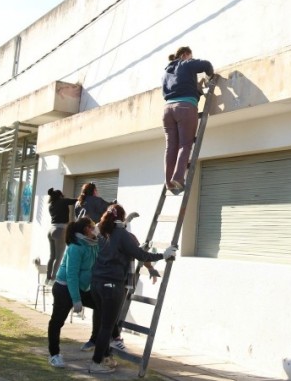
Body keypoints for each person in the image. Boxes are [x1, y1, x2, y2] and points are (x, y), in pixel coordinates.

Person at [87, 204, 176, 374]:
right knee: (107, 326)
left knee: (104, 324)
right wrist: (163, 256)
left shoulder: (104, 231)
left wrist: (123, 221)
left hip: (97, 284)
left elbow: (104, 228)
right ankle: (96, 362)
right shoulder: (121, 234)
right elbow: (140, 254)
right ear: (121, 219)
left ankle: (104, 357)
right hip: (112, 285)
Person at [47, 217, 101, 369]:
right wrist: (76, 299)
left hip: (83, 288)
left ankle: (96, 341)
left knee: (102, 306)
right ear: (86, 230)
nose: (95, 228)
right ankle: (54, 355)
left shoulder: (93, 244)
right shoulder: (75, 247)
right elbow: (72, 275)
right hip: (64, 288)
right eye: (92, 226)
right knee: (57, 321)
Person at [162, 46, 215, 195]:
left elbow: (172, 89)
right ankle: (178, 178)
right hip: (185, 107)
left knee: (170, 147)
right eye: (190, 56)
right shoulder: (185, 63)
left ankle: (168, 182)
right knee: (185, 144)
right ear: (185, 54)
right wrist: (210, 76)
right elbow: (206, 65)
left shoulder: (166, 71)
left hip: (167, 110)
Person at [46, 188, 76, 283]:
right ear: (60, 195)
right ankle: (54, 279)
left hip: (51, 230)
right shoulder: (62, 201)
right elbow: (75, 201)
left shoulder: (51, 205)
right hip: (60, 230)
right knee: (59, 257)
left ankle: (47, 278)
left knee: (52, 257)